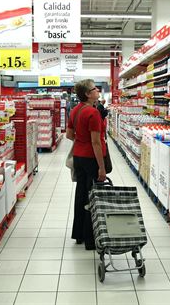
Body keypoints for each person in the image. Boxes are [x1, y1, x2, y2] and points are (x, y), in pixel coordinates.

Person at [66, 79, 107, 250]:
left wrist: (81, 141)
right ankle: (91, 239)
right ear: (88, 94)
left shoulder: (75, 110)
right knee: (93, 196)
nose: (98, 91)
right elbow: (96, 142)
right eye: (95, 89)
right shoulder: (92, 113)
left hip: (78, 157)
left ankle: (79, 234)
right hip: (91, 159)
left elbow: (69, 135)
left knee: (81, 194)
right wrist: (102, 168)